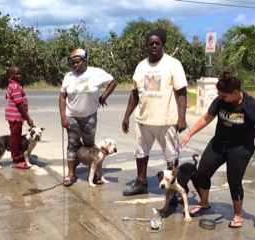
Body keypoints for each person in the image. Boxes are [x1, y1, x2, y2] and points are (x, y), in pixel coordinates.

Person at [179, 70, 255, 228]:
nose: (220, 98)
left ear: (235, 92)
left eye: (223, 95)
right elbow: (206, 118)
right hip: (219, 142)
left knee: (234, 180)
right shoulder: (220, 101)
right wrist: (189, 134)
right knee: (202, 172)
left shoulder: (250, 106)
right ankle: (204, 203)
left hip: (240, 147)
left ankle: (237, 215)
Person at [121, 28, 188, 196]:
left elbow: (181, 92)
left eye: (157, 43)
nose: (154, 46)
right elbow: (135, 94)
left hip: (166, 121)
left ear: (162, 44)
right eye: (151, 43)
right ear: (147, 45)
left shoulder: (173, 64)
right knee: (141, 152)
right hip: (144, 120)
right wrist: (126, 116)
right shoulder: (141, 66)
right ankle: (141, 183)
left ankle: (172, 189)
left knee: (171, 157)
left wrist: (182, 118)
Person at [59, 48, 117, 186]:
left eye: (78, 62)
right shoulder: (68, 77)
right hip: (72, 116)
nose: (75, 65)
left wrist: (103, 97)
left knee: (90, 146)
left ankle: (93, 171)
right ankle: (71, 174)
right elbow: (62, 97)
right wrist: (63, 117)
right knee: (72, 145)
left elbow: (113, 82)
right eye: (72, 63)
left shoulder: (96, 73)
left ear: (84, 61)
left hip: (90, 117)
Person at [5, 66, 34, 169]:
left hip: (16, 116)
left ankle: (18, 156)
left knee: (16, 137)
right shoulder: (15, 87)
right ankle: (16, 160)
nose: (19, 75)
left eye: (20, 74)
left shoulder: (14, 85)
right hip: (15, 116)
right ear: (11, 75)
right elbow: (19, 104)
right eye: (17, 74)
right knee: (15, 138)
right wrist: (28, 118)